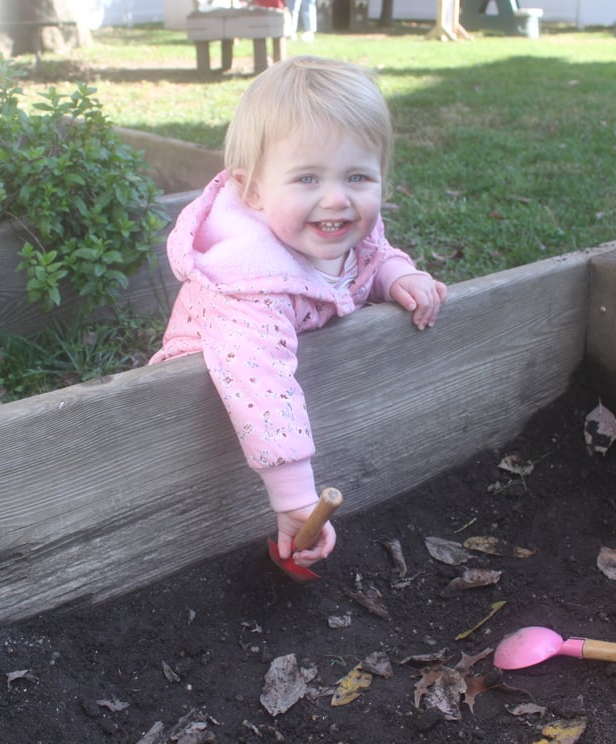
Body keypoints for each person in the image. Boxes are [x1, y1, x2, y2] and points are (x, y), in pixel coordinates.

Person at [149, 56, 447, 568]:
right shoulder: (250, 282)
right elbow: (261, 387)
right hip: (215, 411)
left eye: (357, 176)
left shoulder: (328, 229)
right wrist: (293, 498)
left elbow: (368, 254)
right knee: (190, 512)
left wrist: (397, 274)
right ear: (254, 191)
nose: (336, 199)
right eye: (307, 178)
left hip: (285, 400)